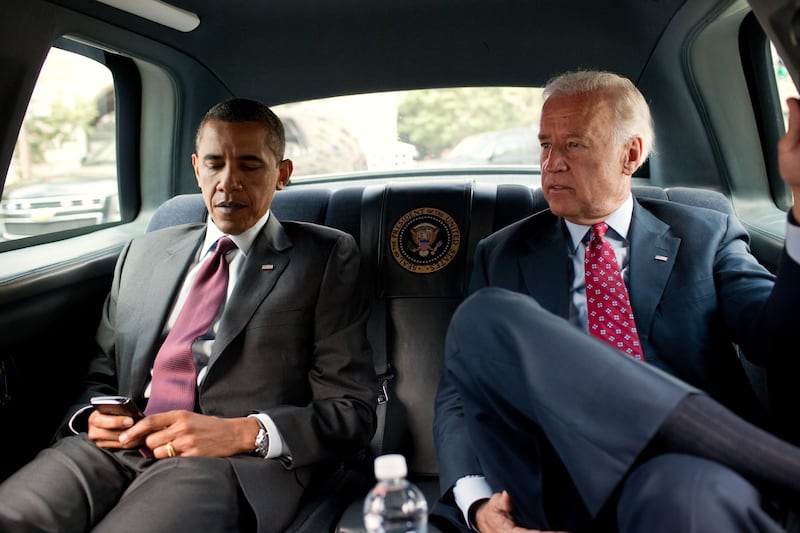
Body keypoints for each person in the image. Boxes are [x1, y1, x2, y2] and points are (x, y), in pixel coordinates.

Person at [432, 69, 800, 533]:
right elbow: (459, 401)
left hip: (682, 473)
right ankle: (779, 465)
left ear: (631, 154)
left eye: (574, 145)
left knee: (691, 495)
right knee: (482, 319)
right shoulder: (502, 254)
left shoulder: (704, 234)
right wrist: (477, 503)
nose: (551, 163)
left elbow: (778, 338)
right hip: (553, 477)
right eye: (546, 145)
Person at [0, 98, 377, 532]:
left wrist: (241, 433)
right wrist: (92, 416)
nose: (228, 182)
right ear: (197, 169)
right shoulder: (143, 254)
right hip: (112, 448)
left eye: (250, 166)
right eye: (215, 164)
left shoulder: (325, 257)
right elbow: (101, 374)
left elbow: (351, 412)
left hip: (225, 462)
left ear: (282, 174)